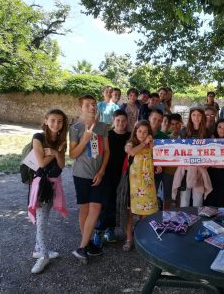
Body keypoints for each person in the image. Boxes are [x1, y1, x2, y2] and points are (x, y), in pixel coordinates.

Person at [69, 94, 110, 264]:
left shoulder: (102, 127)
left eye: (94, 104)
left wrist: (101, 172)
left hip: (97, 175)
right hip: (81, 175)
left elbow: (107, 151)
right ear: (81, 107)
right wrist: (85, 139)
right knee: (85, 209)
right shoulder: (75, 128)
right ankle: (85, 245)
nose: (92, 107)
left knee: (96, 207)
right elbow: (72, 155)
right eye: (88, 105)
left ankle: (83, 246)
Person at [28, 109, 68, 274]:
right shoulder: (38, 137)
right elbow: (42, 163)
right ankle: (43, 256)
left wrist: (57, 152)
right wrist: (54, 152)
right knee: (42, 220)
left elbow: (62, 164)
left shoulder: (61, 140)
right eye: (52, 120)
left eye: (59, 121)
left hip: (53, 184)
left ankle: (39, 249)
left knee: (42, 218)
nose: (56, 124)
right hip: (42, 186)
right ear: (45, 121)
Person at [92, 110, 131, 248]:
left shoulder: (129, 136)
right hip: (107, 173)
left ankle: (110, 229)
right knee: (106, 202)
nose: (121, 123)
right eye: (118, 120)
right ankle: (98, 231)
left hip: (123, 175)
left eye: (123, 121)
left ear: (127, 122)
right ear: (113, 121)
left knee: (117, 203)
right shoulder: (107, 135)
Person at [124, 120, 161, 251]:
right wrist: (144, 143)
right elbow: (132, 152)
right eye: (139, 131)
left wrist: (158, 165)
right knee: (130, 213)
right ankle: (129, 239)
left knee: (147, 214)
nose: (142, 133)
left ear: (149, 133)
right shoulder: (130, 144)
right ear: (135, 131)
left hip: (148, 185)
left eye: (145, 131)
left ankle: (143, 239)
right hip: (133, 187)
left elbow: (156, 157)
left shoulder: (151, 144)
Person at [172, 107, 213, 207]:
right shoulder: (183, 131)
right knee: (184, 200)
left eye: (199, 115)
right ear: (190, 116)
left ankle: (197, 220)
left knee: (198, 200)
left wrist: (205, 165)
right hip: (185, 170)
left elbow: (212, 151)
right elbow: (178, 149)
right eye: (194, 115)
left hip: (200, 170)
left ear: (202, 117)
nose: (196, 117)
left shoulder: (207, 132)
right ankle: (185, 221)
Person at [204, 119, 224, 207]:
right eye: (219, 127)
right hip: (210, 174)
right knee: (209, 201)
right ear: (216, 128)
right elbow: (205, 161)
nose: (222, 130)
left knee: (221, 202)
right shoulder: (209, 142)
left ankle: (218, 220)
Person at [161, 113, 183, 209]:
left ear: (181, 123)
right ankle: (165, 217)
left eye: (177, 123)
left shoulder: (185, 138)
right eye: (172, 124)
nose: (175, 126)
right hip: (168, 172)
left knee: (180, 197)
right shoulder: (166, 138)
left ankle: (179, 216)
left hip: (182, 172)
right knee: (167, 196)